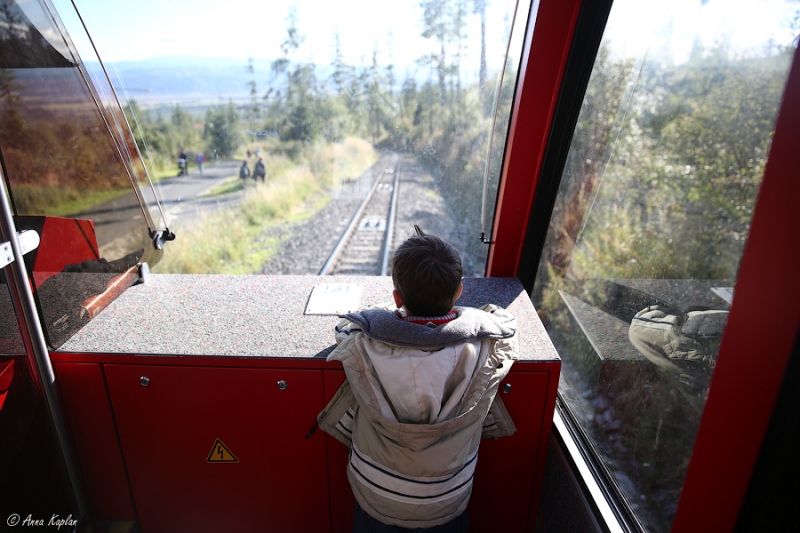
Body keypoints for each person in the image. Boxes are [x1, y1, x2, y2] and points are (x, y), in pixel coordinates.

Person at [315, 230, 519, 531]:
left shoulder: (365, 343)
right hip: (447, 497)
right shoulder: (480, 346)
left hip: (377, 494)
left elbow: (347, 324)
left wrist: (390, 315)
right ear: (459, 291)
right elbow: (504, 322)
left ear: (397, 298)